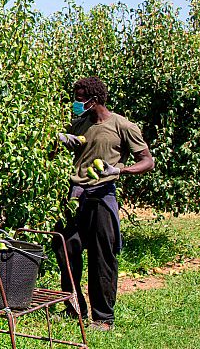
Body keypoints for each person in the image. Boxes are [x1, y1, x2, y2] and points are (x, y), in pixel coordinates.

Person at [54, 76, 154, 331]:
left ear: (94, 100)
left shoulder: (122, 126)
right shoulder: (79, 124)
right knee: (66, 251)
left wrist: (120, 171)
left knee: (103, 256)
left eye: (79, 99)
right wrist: (61, 141)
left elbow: (146, 160)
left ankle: (102, 318)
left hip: (102, 194)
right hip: (75, 194)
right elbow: (56, 150)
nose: (76, 103)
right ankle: (73, 308)